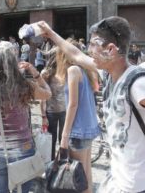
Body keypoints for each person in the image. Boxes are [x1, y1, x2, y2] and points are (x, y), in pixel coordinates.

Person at [38, 17, 145, 193]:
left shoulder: (140, 85)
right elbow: (76, 55)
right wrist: (51, 34)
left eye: (93, 44)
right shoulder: (108, 73)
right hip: (115, 180)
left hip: (137, 186)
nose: (88, 49)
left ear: (110, 50)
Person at [0, 41, 51, 193]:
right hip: (24, 150)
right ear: (14, 65)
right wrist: (36, 74)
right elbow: (48, 93)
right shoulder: (26, 86)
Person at [56, 40, 100, 193]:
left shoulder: (73, 70)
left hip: (78, 130)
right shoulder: (86, 71)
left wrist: (64, 135)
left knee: (78, 177)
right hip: (88, 128)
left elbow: (72, 104)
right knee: (86, 173)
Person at [40, 48, 66, 160]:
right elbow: (42, 97)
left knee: (62, 138)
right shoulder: (46, 73)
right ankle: (55, 163)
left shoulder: (64, 70)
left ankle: (60, 163)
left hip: (62, 110)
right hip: (53, 111)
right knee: (54, 139)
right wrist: (43, 116)